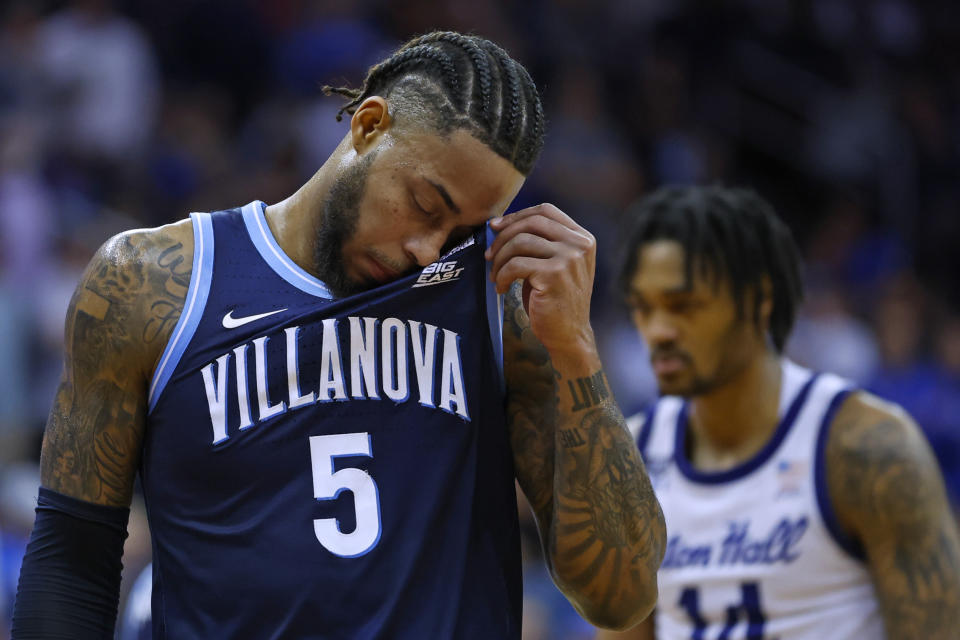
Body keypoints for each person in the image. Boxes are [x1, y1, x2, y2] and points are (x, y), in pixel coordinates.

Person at [11, 31, 666, 639]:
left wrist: (577, 355)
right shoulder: (152, 284)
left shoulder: (498, 301)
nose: (426, 248)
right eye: (425, 204)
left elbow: (620, 594)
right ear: (368, 124)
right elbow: (72, 558)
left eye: (464, 229)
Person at [598, 186, 960, 640]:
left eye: (683, 305)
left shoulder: (866, 446)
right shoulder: (631, 457)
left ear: (758, 299)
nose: (658, 332)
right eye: (643, 308)